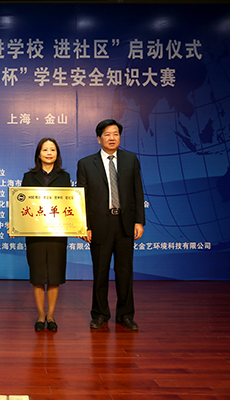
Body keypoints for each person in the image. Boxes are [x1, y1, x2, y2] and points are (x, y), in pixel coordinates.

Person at [76, 119, 145, 331]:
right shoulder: (86, 163)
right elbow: (81, 198)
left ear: (120, 137)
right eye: (107, 134)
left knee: (125, 272)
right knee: (100, 272)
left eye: (115, 133)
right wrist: (83, 225)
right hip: (99, 225)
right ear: (99, 139)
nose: (112, 138)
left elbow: (138, 191)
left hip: (125, 224)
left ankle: (126, 315)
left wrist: (139, 221)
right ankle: (99, 314)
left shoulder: (131, 160)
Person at [21, 138, 71, 332]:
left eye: (52, 150)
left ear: (57, 154)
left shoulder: (64, 177)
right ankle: (40, 315)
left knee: (54, 276)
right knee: (38, 275)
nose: (49, 153)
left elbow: (70, 204)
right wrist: (15, 223)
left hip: (58, 233)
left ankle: (51, 315)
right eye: (45, 150)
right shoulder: (28, 177)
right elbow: (22, 204)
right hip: (35, 234)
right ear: (39, 154)